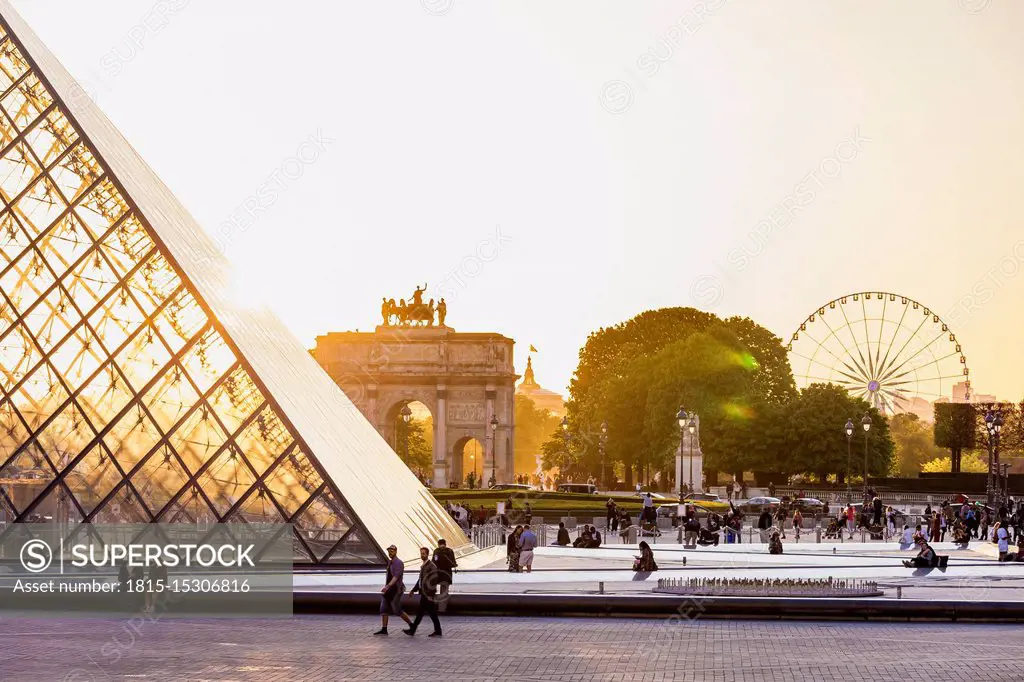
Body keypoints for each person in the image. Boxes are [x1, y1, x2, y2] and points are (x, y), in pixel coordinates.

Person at [403, 547, 442, 637]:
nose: (422, 555)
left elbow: (434, 581)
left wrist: (430, 595)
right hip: (424, 594)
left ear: (427, 554)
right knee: (427, 613)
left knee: (426, 613)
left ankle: (413, 630)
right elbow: (420, 580)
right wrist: (413, 590)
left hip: (427, 594)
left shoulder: (431, 566)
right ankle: (437, 630)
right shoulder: (424, 565)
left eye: (423, 553)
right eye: (421, 553)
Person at [374, 545, 412, 635]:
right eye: (389, 551)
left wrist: (387, 586)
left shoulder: (399, 563)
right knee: (383, 609)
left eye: (392, 551)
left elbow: (396, 577)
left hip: (395, 590)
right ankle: (384, 629)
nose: (390, 553)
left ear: (396, 551)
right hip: (389, 590)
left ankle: (412, 625)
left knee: (397, 610)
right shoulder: (390, 562)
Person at [432, 538, 457, 613]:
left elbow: (433, 562)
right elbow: (453, 564)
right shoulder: (450, 551)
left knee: (435, 591)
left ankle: (436, 608)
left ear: (438, 544)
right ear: (445, 544)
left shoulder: (436, 551)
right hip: (447, 575)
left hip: (438, 574)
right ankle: (442, 609)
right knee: (444, 592)